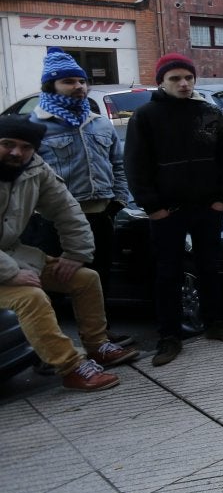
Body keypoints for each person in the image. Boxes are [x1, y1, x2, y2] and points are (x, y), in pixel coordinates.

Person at [0, 115, 137, 390]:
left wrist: (75, 254)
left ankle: (98, 345)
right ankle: (71, 367)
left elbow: (66, 209)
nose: (17, 152)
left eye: (26, 147)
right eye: (7, 144)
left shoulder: (35, 169)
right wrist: (12, 273)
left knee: (85, 278)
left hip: (11, 253)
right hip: (7, 264)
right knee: (31, 297)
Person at [123, 53, 223, 365]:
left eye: (188, 77)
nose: (184, 83)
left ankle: (216, 323)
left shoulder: (210, 113)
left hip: (207, 206)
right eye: (175, 78)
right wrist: (153, 207)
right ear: (161, 81)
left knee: (209, 267)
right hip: (168, 211)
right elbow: (136, 166)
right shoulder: (145, 117)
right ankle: (169, 337)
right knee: (168, 274)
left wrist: (222, 199)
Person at [29, 48, 132, 333]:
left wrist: (118, 200)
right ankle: (51, 349)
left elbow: (118, 163)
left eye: (81, 81)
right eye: (69, 82)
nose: (79, 87)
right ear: (51, 86)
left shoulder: (98, 122)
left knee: (98, 280)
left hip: (100, 216)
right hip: (53, 223)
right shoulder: (35, 127)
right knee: (52, 286)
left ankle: (100, 339)